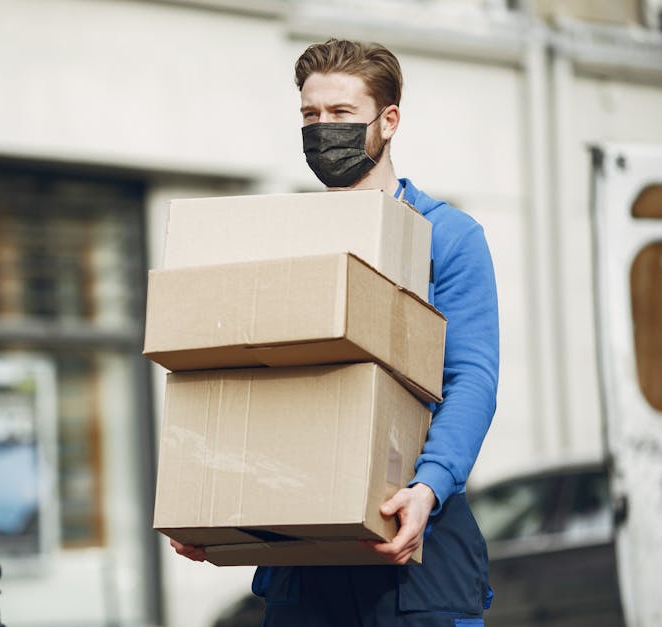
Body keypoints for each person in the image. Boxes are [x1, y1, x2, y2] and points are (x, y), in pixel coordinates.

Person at [170, 39, 499, 625]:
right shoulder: (290, 240)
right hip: (303, 564)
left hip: (414, 549)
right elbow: (252, 378)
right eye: (310, 116)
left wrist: (427, 488)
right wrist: (218, 510)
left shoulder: (445, 236)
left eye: (341, 114)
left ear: (388, 120)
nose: (324, 129)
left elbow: (470, 376)